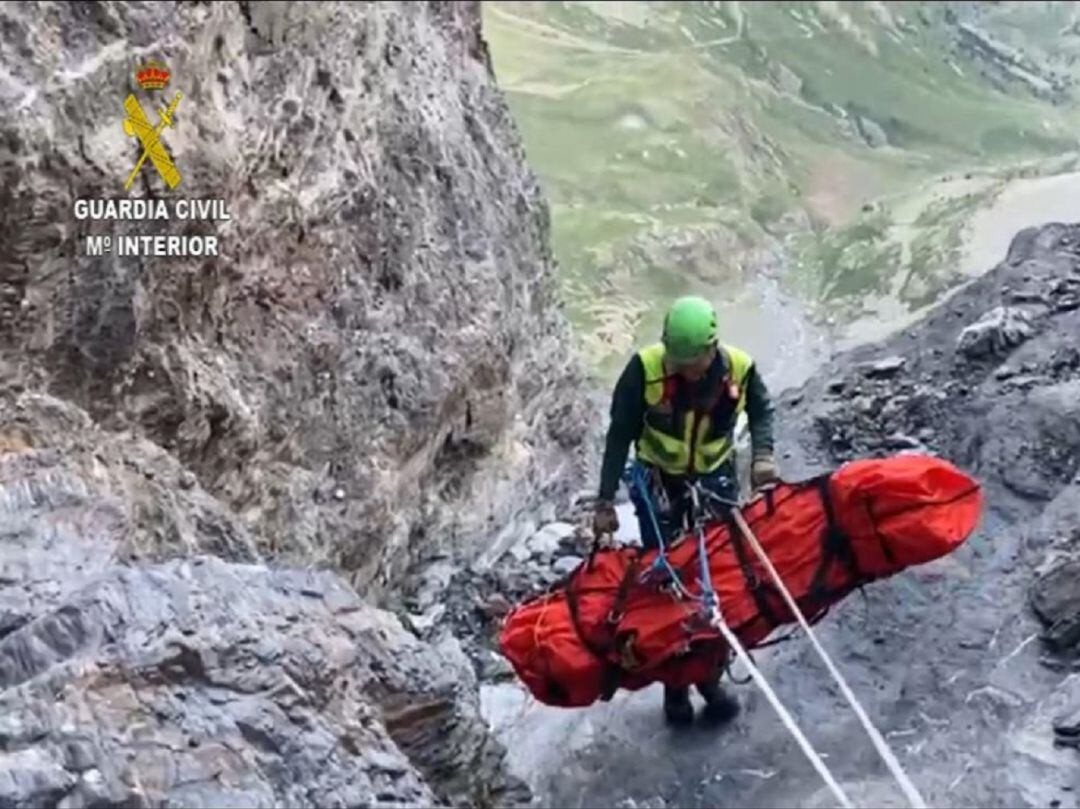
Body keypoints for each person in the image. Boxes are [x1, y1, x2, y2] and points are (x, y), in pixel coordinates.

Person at [592, 295, 780, 726]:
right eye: (675, 359)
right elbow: (619, 435)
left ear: (711, 348)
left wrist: (763, 457)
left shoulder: (739, 368)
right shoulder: (645, 370)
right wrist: (605, 501)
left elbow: (762, 410)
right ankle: (675, 688)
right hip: (659, 482)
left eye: (688, 362)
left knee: (720, 583)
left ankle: (709, 678)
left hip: (714, 480)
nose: (679, 369)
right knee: (668, 584)